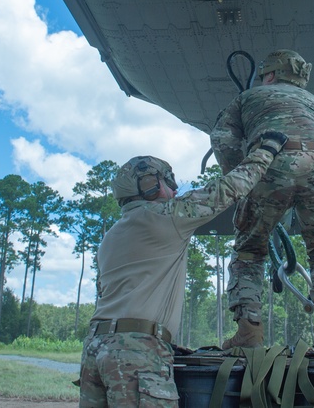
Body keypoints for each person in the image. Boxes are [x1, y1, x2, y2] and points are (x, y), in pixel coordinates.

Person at [79, 130, 288, 407]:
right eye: (169, 181)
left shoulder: (111, 237)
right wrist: (267, 151)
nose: (175, 189)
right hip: (136, 351)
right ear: (150, 185)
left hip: (96, 347)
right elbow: (228, 189)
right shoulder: (166, 216)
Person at [211, 49, 314, 351]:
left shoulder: (249, 97)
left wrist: (240, 176)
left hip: (269, 164)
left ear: (270, 74)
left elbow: (222, 136)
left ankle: (249, 332)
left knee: (249, 252)